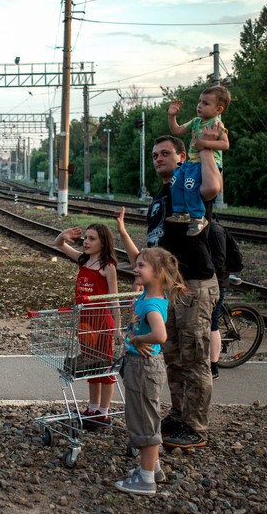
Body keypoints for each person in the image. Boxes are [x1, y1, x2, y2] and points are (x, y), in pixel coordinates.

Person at [116, 134, 221, 450]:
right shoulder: (161, 195)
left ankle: (196, 427)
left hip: (194, 285)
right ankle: (178, 417)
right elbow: (157, 245)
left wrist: (206, 149)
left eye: (165, 153)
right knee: (173, 358)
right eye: (154, 154)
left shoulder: (189, 182)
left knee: (194, 359)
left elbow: (213, 187)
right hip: (171, 288)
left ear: (181, 156)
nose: (158, 158)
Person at [115, 247, 188, 495]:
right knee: (147, 417)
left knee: (145, 422)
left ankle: (146, 480)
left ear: (157, 273)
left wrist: (138, 340)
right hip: (141, 366)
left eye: (141, 266)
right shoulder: (147, 295)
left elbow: (161, 335)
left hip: (143, 368)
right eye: (136, 265)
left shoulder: (152, 305)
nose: (135, 269)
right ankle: (154, 469)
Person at [54, 223, 119, 429]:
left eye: (92, 239)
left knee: (104, 367)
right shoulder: (83, 260)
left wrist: (117, 327)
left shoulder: (107, 267)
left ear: (103, 242)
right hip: (85, 323)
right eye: (86, 238)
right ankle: (92, 407)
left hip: (101, 323)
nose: (86, 242)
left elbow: (115, 299)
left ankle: (103, 412)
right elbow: (59, 245)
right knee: (90, 365)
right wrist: (63, 235)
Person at [167, 86, 231, 236]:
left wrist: (206, 144)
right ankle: (180, 212)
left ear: (218, 110)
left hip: (207, 165)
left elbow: (225, 144)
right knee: (175, 181)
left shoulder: (216, 125)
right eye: (200, 102)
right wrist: (171, 116)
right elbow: (176, 131)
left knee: (190, 186)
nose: (200, 105)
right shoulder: (196, 122)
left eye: (206, 103)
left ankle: (198, 217)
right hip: (192, 163)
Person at [207, 218, 229, 380]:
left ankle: (213, 366)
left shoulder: (215, 231)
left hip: (217, 283)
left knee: (213, 323)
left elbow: (220, 259)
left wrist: (201, 268)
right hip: (205, 281)